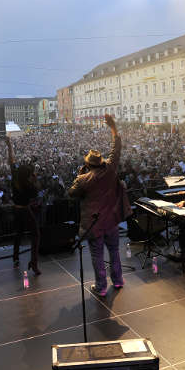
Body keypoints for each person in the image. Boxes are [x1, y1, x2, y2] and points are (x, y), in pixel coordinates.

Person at [67, 114, 130, 297]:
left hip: (93, 224)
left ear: (87, 165)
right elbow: (116, 149)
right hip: (111, 220)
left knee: (97, 255)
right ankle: (118, 280)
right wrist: (113, 128)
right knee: (114, 251)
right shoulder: (110, 170)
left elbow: (71, 193)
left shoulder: (83, 179)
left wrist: (79, 175)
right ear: (100, 162)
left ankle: (101, 287)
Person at [5, 137, 41, 275]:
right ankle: (34, 262)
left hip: (16, 210)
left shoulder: (15, 177)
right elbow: (36, 191)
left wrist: (9, 146)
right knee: (36, 235)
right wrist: (35, 179)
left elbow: (11, 160)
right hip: (25, 211)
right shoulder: (29, 185)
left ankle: (15, 257)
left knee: (18, 234)